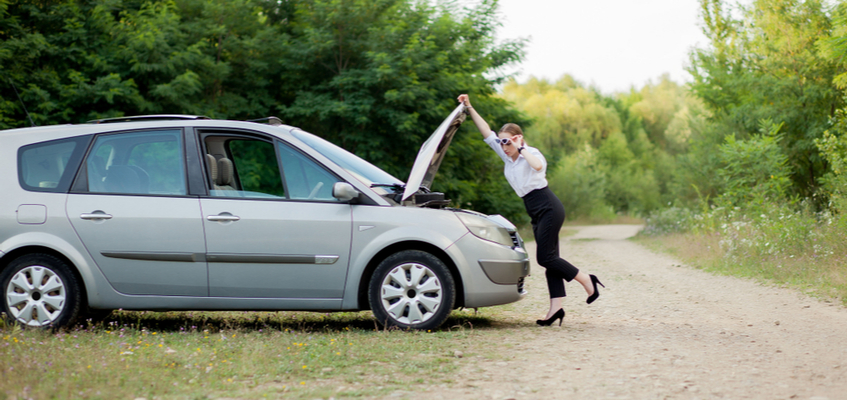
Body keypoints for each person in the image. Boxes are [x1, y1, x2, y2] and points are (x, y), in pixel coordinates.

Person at [457, 94, 604, 327]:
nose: (504, 146)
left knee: (545, 257)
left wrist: (521, 147)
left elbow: (537, 166)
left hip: (548, 207)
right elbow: (486, 132)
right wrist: (469, 107)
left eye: (508, 142)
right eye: (502, 142)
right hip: (535, 210)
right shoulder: (507, 157)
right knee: (551, 259)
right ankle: (556, 308)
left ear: (518, 139)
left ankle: (587, 280)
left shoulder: (531, 153)